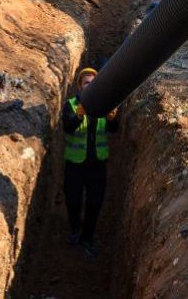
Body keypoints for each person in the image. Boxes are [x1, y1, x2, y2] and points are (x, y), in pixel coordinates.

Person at [62, 67, 119, 256]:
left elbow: (114, 129)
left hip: (97, 164)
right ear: (79, 86)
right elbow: (68, 127)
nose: (90, 86)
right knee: (73, 200)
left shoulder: (105, 105)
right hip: (75, 164)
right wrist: (80, 112)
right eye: (86, 83)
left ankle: (87, 237)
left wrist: (112, 118)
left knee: (94, 203)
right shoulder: (71, 105)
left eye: (93, 83)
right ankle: (74, 229)